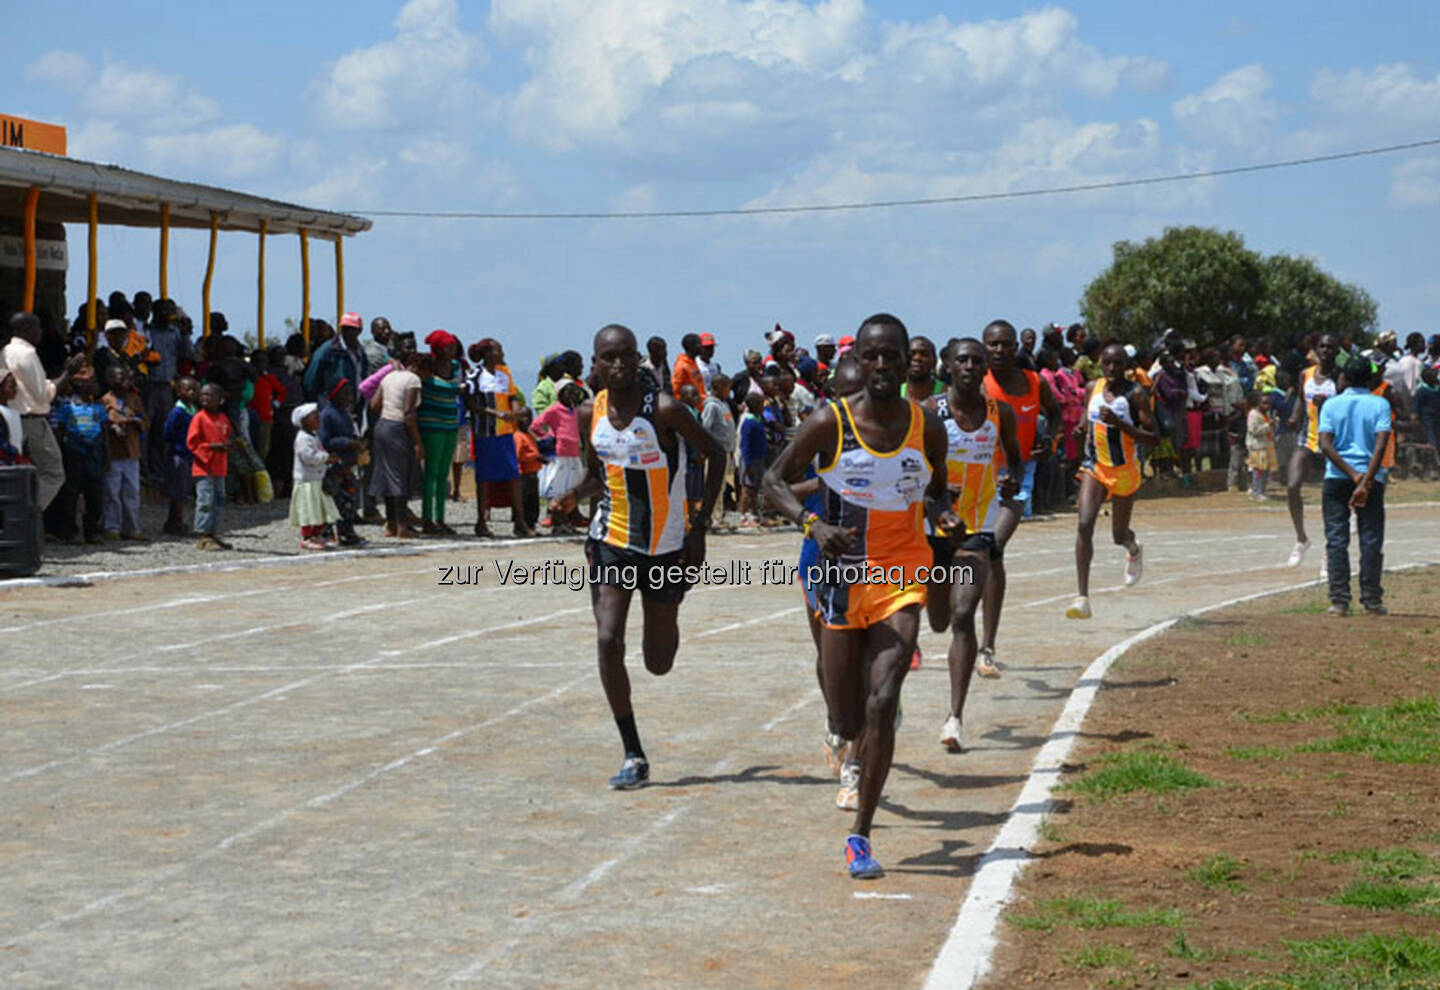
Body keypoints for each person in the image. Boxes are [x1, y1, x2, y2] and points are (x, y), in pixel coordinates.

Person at [763, 314, 955, 880]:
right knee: (848, 719)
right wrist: (811, 525)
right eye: (870, 356)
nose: (880, 366)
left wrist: (942, 512)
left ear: (909, 361)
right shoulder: (830, 422)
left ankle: (861, 836)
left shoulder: (926, 426)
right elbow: (771, 480)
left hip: (903, 572)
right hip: (841, 576)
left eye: (890, 356)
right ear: (859, 360)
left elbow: (936, 484)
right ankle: (851, 734)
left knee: (883, 699)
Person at [550, 323, 725, 791]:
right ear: (596, 363)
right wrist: (570, 498)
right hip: (611, 539)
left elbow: (715, 455)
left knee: (658, 661)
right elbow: (598, 477)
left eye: (627, 355)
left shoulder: (665, 410)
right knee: (608, 638)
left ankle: (667, 614)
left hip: (666, 547)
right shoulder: (591, 412)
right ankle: (633, 752)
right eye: (609, 357)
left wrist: (700, 526)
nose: (620, 365)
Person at [924, 338, 1021, 751]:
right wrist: (938, 506)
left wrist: (1011, 479)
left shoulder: (1001, 414)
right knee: (940, 620)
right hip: (931, 533)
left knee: (963, 616)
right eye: (961, 359)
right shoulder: (929, 413)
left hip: (976, 531)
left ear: (985, 369)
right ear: (947, 364)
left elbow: (1016, 459)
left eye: (976, 361)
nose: (968, 365)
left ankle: (954, 717)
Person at [978, 320, 1059, 672]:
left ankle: (987, 648)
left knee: (994, 547)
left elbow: (1054, 413)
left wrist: (1049, 440)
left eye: (1005, 344)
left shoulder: (1034, 382)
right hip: (979, 478)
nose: (999, 350)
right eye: (993, 344)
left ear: (1016, 348)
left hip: (1018, 473)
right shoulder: (979, 385)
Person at [1066, 343, 1157, 619]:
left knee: (1119, 535)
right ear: (1100, 365)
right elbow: (1085, 418)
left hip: (1124, 470)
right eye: (1107, 364)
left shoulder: (1136, 394)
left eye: (1118, 364)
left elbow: (1153, 437)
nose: (1112, 369)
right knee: (1084, 524)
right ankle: (1082, 597)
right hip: (1095, 466)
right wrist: (1081, 428)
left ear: (1127, 367)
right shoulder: (1093, 387)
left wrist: (1121, 424)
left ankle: (1133, 548)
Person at [1318, 351, 1392, 616]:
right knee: (1371, 538)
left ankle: (1339, 600)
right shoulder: (1380, 404)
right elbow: (1381, 443)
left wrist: (1352, 475)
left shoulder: (1331, 405)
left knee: (1336, 538)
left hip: (1338, 477)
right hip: (1372, 478)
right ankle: (1372, 599)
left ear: (1344, 377)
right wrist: (1365, 480)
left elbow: (1325, 444)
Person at [5, 312, 82, 514]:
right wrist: (68, 375)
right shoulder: (27, 354)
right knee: (53, 472)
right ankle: (25, 514)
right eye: (37, 327)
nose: (40, 332)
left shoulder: (6, 350)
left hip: (12, 418)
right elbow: (43, 395)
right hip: (32, 421)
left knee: (20, 472)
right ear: (26, 329)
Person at [465, 338, 533, 538]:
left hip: (505, 434)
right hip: (485, 433)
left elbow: (512, 398)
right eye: (499, 351)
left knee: (513, 475)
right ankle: (481, 522)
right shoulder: (475, 375)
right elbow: (470, 402)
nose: (502, 354)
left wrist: (516, 410)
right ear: (488, 353)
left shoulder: (505, 374)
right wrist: (494, 413)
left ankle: (519, 522)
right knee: (484, 478)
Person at [1284, 333, 1340, 569]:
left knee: (1332, 497)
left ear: (1337, 352)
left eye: (1330, 347)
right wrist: (1296, 415)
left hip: (1333, 441)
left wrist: (1326, 404)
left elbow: (1345, 405)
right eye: (1322, 346)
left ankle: (1330, 550)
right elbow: (1300, 398)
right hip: (1307, 438)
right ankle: (1301, 539)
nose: (1325, 350)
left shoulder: (1341, 377)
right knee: (1292, 485)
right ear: (1316, 349)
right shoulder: (1305, 374)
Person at [369, 351, 424, 539]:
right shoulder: (413, 380)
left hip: (382, 426)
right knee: (400, 476)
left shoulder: (389, 377)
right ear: (416, 365)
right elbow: (409, 413)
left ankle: (391, 524)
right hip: (398, 428)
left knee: (386, 475)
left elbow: (374, 405)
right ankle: (402, 526)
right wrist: (418, 443)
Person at [51, 372, 109, 545]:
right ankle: (70, 531)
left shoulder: (98, 407)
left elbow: (104, 432)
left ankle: (93, 531)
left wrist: (107, 456)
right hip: (74, 452)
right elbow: (60, 431)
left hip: (94, 452)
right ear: (81, 385)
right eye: (92, 382)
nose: (95, 385)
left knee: (95, 492)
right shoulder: (67, 407)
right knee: (71, 493)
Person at [418, 331, 463, 536]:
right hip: (431, 424)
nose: (452, 351)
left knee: (443, 473)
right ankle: (427, 519)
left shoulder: (455, 367)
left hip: (450, 424)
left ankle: (441, 518)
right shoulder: (427, 368)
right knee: (432, 473)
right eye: (448, 347)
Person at [100, 364, 148, 541]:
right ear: (110, 380)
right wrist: (113, 426)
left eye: (127, 378)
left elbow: (145, 421)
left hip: (132, 452)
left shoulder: (134, 399)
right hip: (114, 453)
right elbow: (101, 422)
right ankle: (112, 527)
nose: (125, 381)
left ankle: (133, 528)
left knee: (132, 491)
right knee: (112, 492)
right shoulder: (105, 400)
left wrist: (136, 422)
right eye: (121, 378)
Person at [533, 379, 585, 533]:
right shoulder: (554, 410)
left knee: (571, 487)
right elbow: (535, 425)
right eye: (568, 391)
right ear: (560, 393)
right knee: (558, 488)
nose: (571, 395)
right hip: (560, 453)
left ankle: (566, 520)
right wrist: (547, 437)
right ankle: (556, 521)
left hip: (574, 452)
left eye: (573, 391)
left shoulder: (576, 410)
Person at [319, 380, 366, 547]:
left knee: (348, 501)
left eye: (350, 393)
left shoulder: (344, 413)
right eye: (345, 393)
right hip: (334, 465)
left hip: (347, 465)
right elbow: (325, 441)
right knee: (333, 500)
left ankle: (347, 531)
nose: (349, 397)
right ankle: (327, 532)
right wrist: (347, 442)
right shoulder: (327, 414)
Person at [187, 382, 233, 551]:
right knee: (205, 500)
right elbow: (192, 443)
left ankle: (212, 532)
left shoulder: (223, 418)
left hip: (220, 466)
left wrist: (228, 445)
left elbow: (226, 435)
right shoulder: (199, 417)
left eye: (210, 395)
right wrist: (212, 447)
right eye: (203, 395)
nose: (205, 398)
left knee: (219, 500)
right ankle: (203, 534)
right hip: (204, 467)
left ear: (220, 400)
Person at [289, 402, 340, 550]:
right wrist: (326, 457)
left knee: (320, 510)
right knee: (308, 511)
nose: (319, 420)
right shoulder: (302, 438)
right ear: (304, 421)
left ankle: (317, 535)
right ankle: (306, 537)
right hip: (307, 481)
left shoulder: (314, 436)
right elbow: (308, 457)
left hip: (317, 480)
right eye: (314, 417)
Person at [161, 376, 200, 536]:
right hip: (179, 454)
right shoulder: (177, 412)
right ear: (179, 392)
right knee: (178, 490)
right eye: (187, 389)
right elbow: (167, 433)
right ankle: (176, 521)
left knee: (183, 490)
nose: (191, 392)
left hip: (189, 455)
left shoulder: (193, 410)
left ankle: (173, 521)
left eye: (194, 389)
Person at [699, 374, 736, 529]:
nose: (729, 391)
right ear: (718, 387)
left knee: (721, 487)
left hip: (725, 453)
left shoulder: (724, 405)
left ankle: (718, 517)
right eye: (727, 387)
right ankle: (711, 518)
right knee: (713, 485)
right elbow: (705, 428)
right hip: (715, 454)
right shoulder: (711, 406)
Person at [248, 348, 286, 461]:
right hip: (248, 417)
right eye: (257, 361)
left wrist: (275, 404)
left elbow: (282, 392)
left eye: (263, 361)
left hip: (265, 418)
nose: (260, 364)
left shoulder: (269, 378)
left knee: (263, 448)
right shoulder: (248, 379)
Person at [736, 392, 767, 528]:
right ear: (754, 405)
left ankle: (755, 514)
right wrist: (748, 464)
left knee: (755, 488)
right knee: (747, 488)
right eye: (761, 404)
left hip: (759, 458)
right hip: (750, 460)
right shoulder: (748, 422)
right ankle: (743, 516)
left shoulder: (758, 419)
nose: (763, 407)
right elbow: (745, 445)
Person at [513, 406, 543, 533]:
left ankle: (531, 526)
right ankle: (521, 527)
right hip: (523, 474)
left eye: (529, 417)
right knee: (524, 502)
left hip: (533, 474)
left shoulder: (529, 435)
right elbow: (518, 456)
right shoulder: (518, 436)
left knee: (533, 503)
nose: (526, 420)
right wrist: (535, 456)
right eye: (523, 417)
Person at [1246, 391, 1277, 501]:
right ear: (1257, 403)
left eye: (1268, 404)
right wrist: (1268, 426)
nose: (1267, 406)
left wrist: (1273, 424)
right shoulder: (1253, 414)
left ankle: (1262, 490)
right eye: (1264, 403)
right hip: (1257, 446)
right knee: (1258, 470)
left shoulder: (1266, 415)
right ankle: (1256, 491)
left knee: (1266, 470)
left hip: (1266, 445)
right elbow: (1253, 430)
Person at [672, 333, 708, 401]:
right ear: (691, 346)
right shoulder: (681, 366)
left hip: (701, 405)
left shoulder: (693, 363)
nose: (701, 346)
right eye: (699, 344)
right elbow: (676, 391)